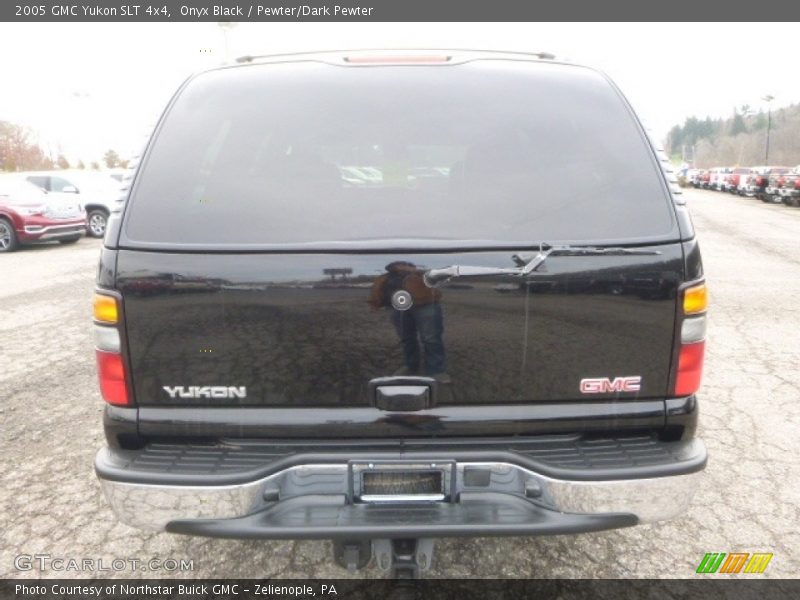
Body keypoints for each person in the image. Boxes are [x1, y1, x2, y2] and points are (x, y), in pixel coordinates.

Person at [368, 261, 448, 380]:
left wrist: (417, 273)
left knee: (431, 338)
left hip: (425, 306)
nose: (404, 266)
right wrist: (374, 303)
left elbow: (435, 282)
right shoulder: (384, 277)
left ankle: (436, 370)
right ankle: (410, 366)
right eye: (401, 264)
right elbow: (378, 290)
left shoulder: (422, 274)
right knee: (407, 338)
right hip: (397, 308)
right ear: (393, 267)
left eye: (408, 265)